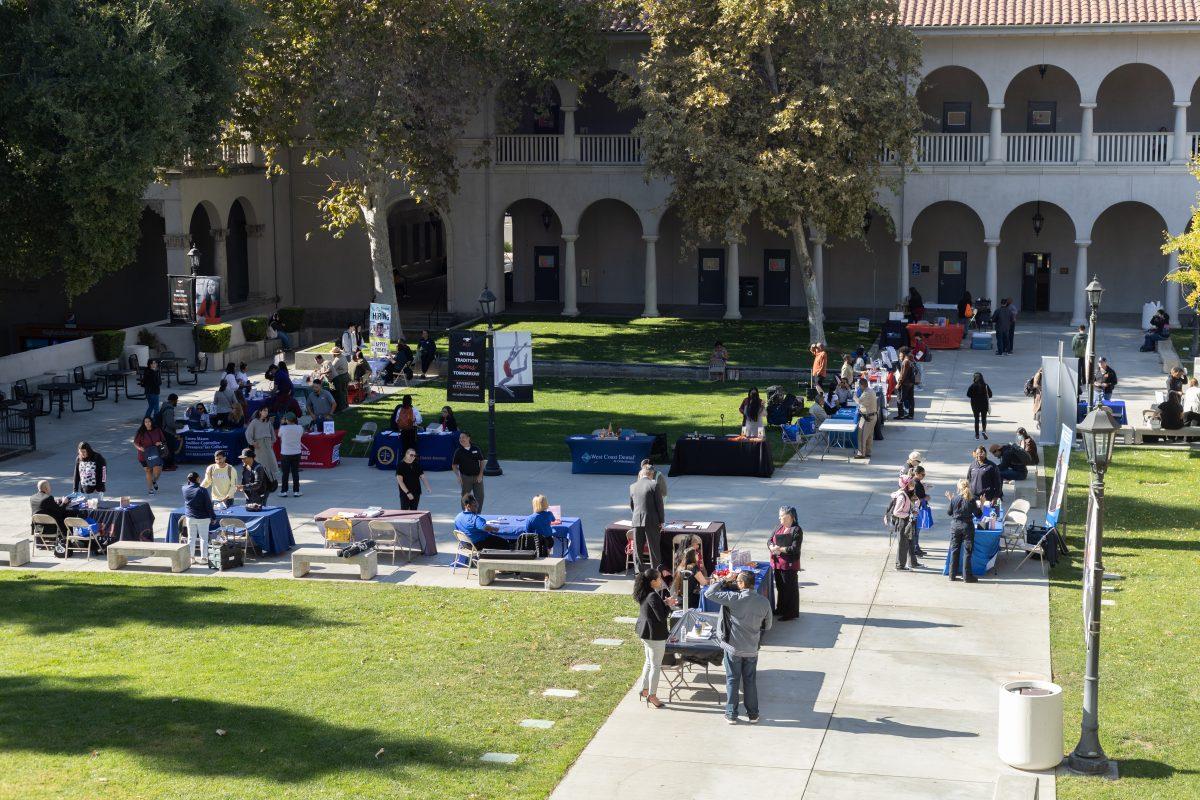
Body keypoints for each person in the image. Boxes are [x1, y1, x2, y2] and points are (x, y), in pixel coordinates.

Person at [703, 569, 773, 724]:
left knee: (732, 680)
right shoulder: (764, 602)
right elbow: (767, 626)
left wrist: (724, 580)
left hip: (733, 648)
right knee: (750, 681)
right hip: (752, 649)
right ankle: (753, 714)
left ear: (741, 584)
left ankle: (731, 714)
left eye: (737, 581)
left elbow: (709, 593)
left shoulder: (733, 598)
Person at [633, 567, 676, 710]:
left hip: (645, 633)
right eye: (659, 579)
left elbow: (654, 610)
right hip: (654, 635)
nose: (661, 581)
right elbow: (661, 617)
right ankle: (652, 695)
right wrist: (669, 605)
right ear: (652, 582)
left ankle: (644, 689)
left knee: (649, 662)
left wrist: (663, 604)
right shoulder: (652, 596)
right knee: (656, 665)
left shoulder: (645, 593)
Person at [768, 506, 802, 620]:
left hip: (789, 565)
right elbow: (769, 540)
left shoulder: (796, 530)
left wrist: (780, 549)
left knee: (790, 589)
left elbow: (794, 548)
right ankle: (781, 608)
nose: (780, 518)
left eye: (782, 516)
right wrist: (772, 546)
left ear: (790, 517)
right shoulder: (778, 527)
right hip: (778, 563)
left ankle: (790, 613)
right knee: (780, 587)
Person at [630, 464, 665, 572]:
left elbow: (632, 505)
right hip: (652, 521)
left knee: (637, 549)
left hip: (636, 520)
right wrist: (661, 521)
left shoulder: (633, 486)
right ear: (651, 474)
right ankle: (656, 573)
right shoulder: (654, 485)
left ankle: (638, 573)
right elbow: (659, 505)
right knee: (654, 549)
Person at [945, 479, 979, 583]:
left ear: (958, 488)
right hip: (967, 527)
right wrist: (981, 504)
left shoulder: (954, 498)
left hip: (955, 526)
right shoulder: (971, 500)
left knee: (955, 550)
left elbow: (949, 512)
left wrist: (951, 500)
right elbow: (979, 515)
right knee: (967, 552)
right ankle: (967, 576)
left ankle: (952, 575)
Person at [886, 476, 921, 570]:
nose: (913, 485)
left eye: (913, 483)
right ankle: (900, 566)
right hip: (902, 522)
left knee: (910, 542)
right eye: (910, 484)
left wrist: (915, 508)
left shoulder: (908, 493)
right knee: (903, 544)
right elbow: (896, 512)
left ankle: (911, 563)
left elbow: (915, 502)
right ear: (905, 485)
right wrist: (908, 514)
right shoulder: (902, 496)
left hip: (908, 521)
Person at [182, 471, 216, 563]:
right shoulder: (202, 490)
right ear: (197, 479)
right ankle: (204, 558)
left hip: (190, 518)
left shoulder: (184, 488)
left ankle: (191, 558)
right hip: (203, 518)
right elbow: (208, 505)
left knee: (191, 538)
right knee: (203, 538)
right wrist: (213, 517)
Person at [452, 431, 485, 511]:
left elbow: (482, 461)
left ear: (468, 438)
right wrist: (458, 476)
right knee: (465, 497)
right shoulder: (458, 451)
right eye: (460, 438)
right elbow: (454, 466)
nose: (461, 439)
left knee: (480, 496)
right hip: (465, 478)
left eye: (463, 437)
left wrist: (480, 474)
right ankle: (465, 515)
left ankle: (477, 514)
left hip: (477, 477)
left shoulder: (475, 448)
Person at [245, 406, 279, 481]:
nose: (266, 412)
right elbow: (248, 433)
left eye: (267, 411)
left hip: (268, 444)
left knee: (271, 461)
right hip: (259, 444)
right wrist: (252, 443)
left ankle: (272, 480)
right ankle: (259, 480)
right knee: (261, 462)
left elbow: (272, 432)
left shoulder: (268, 422)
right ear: (260, 412)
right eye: (264, 410)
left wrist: (272, 441)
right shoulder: (254, 422)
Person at [670, 545, 708, 611]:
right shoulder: (693, 567)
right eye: (696, 553)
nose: (698, 554)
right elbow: (704, 583)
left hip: (678, 598)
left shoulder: (680, 567)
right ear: (693, 556)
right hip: (689, 600)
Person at [133, 416, 165, 495]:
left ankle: (154, 480)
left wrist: (160, 443)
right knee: (148, 471)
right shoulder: (141, 432)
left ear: (152, 422)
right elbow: (135, 443)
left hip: (155, 453)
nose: (147, 423)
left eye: (149, 421)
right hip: (144, 455)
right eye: (145, 422)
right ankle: (150, 489)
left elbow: (163, 440)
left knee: (158, 472)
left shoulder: (157, 430)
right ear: (144, 423)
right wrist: (140, 448)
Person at [277, 412, 304, 497]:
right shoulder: (299, 428)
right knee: (295, 472)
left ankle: (284, 491)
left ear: (286, 420)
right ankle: (296, 491)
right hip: (296, 452)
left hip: (285, 453)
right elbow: (301, 435)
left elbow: (279, 435)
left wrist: (282, 424)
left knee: (285, 473)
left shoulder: (283, 428)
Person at [854, 377, 878, 459]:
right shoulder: (871, 391)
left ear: (861, 385)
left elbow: (858, 401)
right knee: (869, 436)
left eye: (859, 386)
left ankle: (861, 453)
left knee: (862, 436)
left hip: (867, 417)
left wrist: (855, 394)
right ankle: (868, 451)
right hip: (872, 416)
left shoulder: (866, 393)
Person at [911, 465, 931, 557]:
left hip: (917, 509)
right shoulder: (916, 484)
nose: (924, 476)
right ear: (917, 474)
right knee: (916, 530)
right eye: (922, 474)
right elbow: (917, 498)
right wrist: (925, 498)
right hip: (917, 510)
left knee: (916, 530)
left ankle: (916, 547)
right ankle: (915, 548)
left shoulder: (916, 482)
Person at [966, 372, 992, 439]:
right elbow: (990, 395)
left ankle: (977, 435)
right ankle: (984, 430)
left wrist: (974, 396)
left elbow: (968, 394)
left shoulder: (972, 386)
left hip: (975, 405)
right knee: (984, 419)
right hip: (984, 405)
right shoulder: (985, 385)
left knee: (976, 419)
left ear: (974, 378)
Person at [158, 394, 180, 470]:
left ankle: (169, 464)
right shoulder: (169, 410)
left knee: (167, 449)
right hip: (168, 432)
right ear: (173, 400)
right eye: (176, 400)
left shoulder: (164, 406)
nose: (177, 402)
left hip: (163, 430)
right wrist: (180, 426)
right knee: (169, 449)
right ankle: (168, 466)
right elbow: (170, 423)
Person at [896, 347, 916, 419]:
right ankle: (911, 415)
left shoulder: (905, 362)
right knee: (911, 399)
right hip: (911, 383)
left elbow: (903, 375)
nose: (899, 356)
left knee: (900, 399)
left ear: (904, 354)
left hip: (905, 384)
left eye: (900, 354)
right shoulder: (912, 359)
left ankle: (901, 415)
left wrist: (898, 384)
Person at [329, 347, 351, 411]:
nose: (332, 354)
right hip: (346, 376)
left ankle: (341, 408)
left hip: (341, 377)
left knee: (339, 393)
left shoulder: (337, 360)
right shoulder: (343, 357)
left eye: (333, 353)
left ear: (335, 354)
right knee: (344, 391)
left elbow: (331, 369)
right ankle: (346, 405)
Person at [1070, 324, 1088, 396]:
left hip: (1077, 355)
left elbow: (1073, 346)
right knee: (1084, 368)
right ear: (1084, 329)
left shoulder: (1075, 337)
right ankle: (1084, 381)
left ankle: (1078, 381)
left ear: (1079, 329)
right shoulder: (1087, 337)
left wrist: (1076, 350)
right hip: (1084, 355)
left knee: (1078, 369)